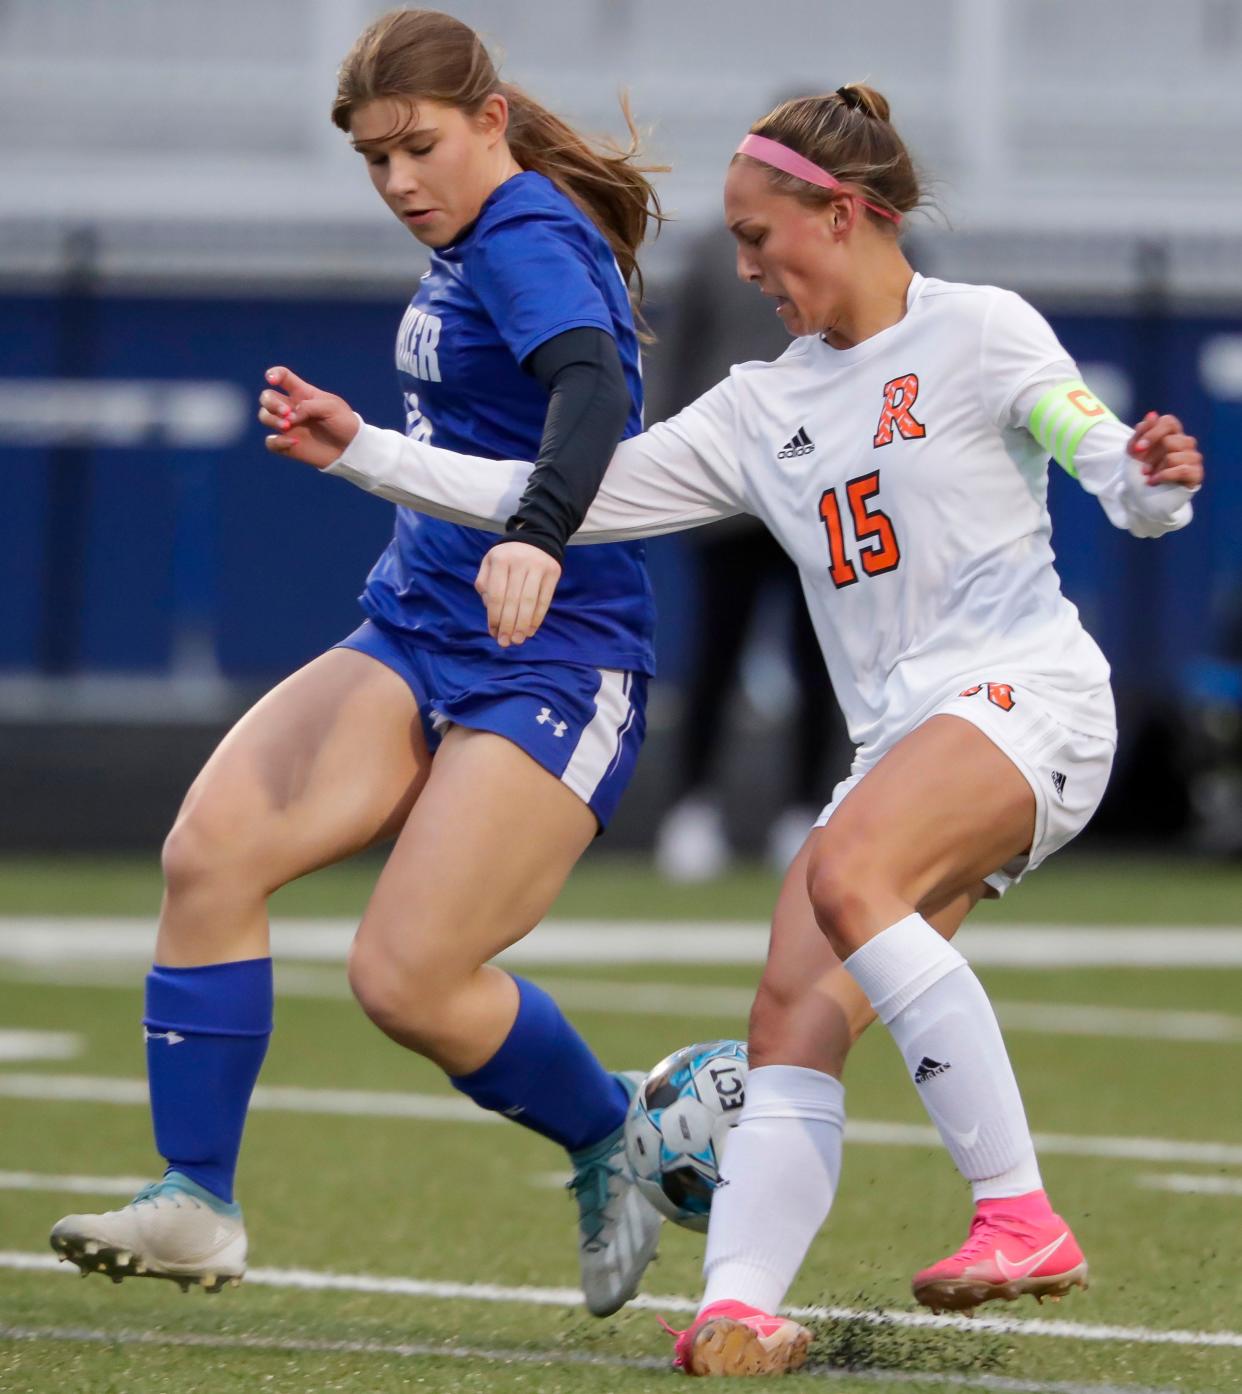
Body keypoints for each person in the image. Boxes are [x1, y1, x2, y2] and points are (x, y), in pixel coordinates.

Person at [254, 81, 1205, 1375]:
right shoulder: (761, 407)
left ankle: (1017, 1211)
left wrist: (1145, 482)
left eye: (761, 236)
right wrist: (359, 445)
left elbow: (1101, 462)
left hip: (1027, 696)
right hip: (904, 741)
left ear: (850, 213)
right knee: (788, 1016)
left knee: (847, 871)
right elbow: (563, 496)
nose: (743, 264)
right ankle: (739, 1305)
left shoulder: (981, 331)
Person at [49, 8, 668, 1318]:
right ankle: (196, 1198)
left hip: (551, 657)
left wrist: (540, 538)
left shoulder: (531, 233)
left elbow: (592, 396)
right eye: (373, 160)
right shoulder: (469, 233)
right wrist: (360, 442)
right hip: (416, 625)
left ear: (489, 122)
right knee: (209, 855)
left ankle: (620, 1132)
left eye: (416, 148)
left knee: (406, 977)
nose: (395, 183)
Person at [647, 216, 845, 881]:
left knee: (820, 657)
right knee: (716, 650)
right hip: (733, 486)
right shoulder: (716, 247)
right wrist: (667, 458)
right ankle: (693, 810)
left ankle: (805, 813)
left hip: (824, 485)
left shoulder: (866, 245)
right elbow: (678, 354)